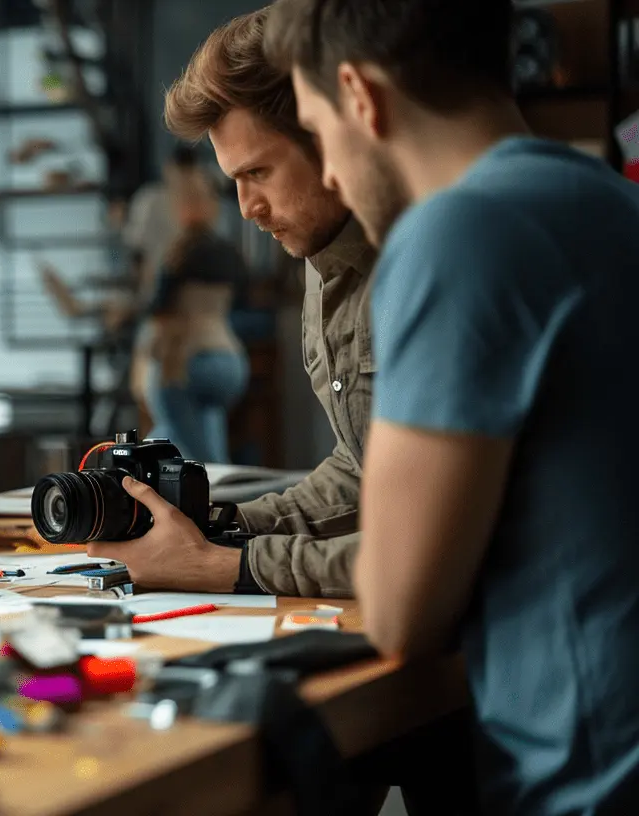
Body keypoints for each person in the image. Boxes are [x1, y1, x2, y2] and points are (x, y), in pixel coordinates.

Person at [266, 0, 639, 812]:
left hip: (580, 788)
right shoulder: (609, 203)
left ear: (361, 96)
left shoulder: (459, 235)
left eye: (317, 129)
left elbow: (401, 610)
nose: (327, 172)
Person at [88, 8, 372, 600]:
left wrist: (225, 567)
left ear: (331, 128)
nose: (246, 207)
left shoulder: (431, 258)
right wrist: (222, 528)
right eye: (232, 183)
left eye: (259, 172)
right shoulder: (322, 267)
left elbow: (428, 549)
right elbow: (361, 471)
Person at [134, 146, 249, 464]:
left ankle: (210, 496)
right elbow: (243, 300)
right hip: (232, 363)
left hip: (192, 362)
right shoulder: (229, 253)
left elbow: (161, 312)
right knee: (168, 436)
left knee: (199, 459)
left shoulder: (178, 255)